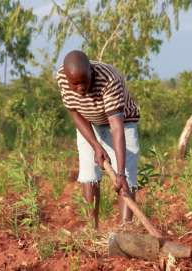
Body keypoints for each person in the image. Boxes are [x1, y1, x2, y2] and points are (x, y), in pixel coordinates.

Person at [56, 50, 140, 229]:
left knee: (126, 177)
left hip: (122, 123)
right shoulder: (62, 77)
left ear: (91, 73)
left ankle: (126, 231)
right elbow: (74, 112)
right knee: (89, 175)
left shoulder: (110, 80)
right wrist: (95, 146)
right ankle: (92, 230)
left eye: (84, 82)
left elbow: (116, 127)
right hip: (88, 124)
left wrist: (120, 173)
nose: (80, 88)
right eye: (75, 84)